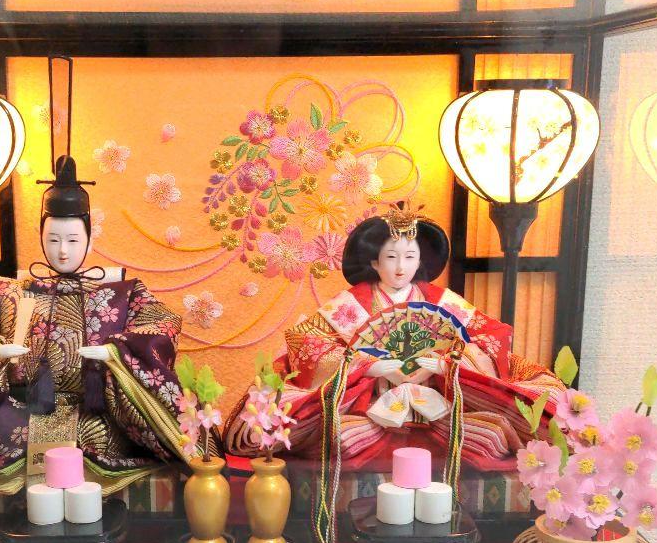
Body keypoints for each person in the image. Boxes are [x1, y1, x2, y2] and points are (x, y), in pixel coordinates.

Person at [223, 201, 562, 470]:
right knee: (339, 436)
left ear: (420, 261)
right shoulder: (350, 304)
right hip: (370, 406)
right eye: (391, 257)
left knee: (493, 436)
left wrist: (447, 366)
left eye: (410, 257)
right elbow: (308, 344)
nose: (401, 267)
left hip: (439, 404)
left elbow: (491, 338)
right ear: (374, 262)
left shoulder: (443, 302)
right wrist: (366, 367)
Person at [0, 155, 189, 494]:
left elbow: (161, 324)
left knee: (98, 437)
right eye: (54, 240)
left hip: (93, 409)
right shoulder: (8, 291)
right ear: (41, 237)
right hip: (23, 408)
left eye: (73, 240)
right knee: (4, 431)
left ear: (90, 240)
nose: (63, 251)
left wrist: (116, 352)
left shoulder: (123, 293)